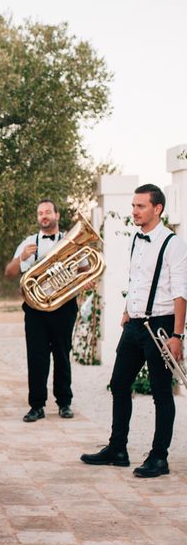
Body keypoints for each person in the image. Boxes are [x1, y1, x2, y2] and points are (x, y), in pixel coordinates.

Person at [81, 184, 187, 478]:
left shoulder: (173, 243)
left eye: (140, 206)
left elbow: (181, 292)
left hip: (161, 325)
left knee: (161, 393)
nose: (134, 211)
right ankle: (118, 448)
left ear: (158, 209)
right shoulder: (137, 239)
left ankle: (159, 457)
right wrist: (128, 309)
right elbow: (137, 278)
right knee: (118, 383)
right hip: (135, 324)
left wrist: (177, 336)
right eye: (133, 205)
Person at [5, 199, 77, 422]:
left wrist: (84, 280)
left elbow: (83, 267)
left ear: (56, 214)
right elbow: (9, 272)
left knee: (62, 355)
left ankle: (64, 402)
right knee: (36, 357)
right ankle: (36, 405)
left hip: (64, 306)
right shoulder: (28, 242)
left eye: (47, 212)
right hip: (36, 309)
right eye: (40, 213)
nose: (44, 216)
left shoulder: (70, 240)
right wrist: (22, 257)